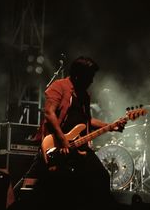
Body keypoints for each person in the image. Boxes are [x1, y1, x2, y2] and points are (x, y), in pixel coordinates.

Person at [20, 56, 127, 210]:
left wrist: (111, 126)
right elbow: (49, 114)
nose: (92, 81)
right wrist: (62, 140)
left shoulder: (85, 95)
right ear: (78, 75)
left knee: (101, 177)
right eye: (89, 77)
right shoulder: (59, 86)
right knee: (52, 186)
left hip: (77, 145)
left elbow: (87, 121)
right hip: (57, 144)